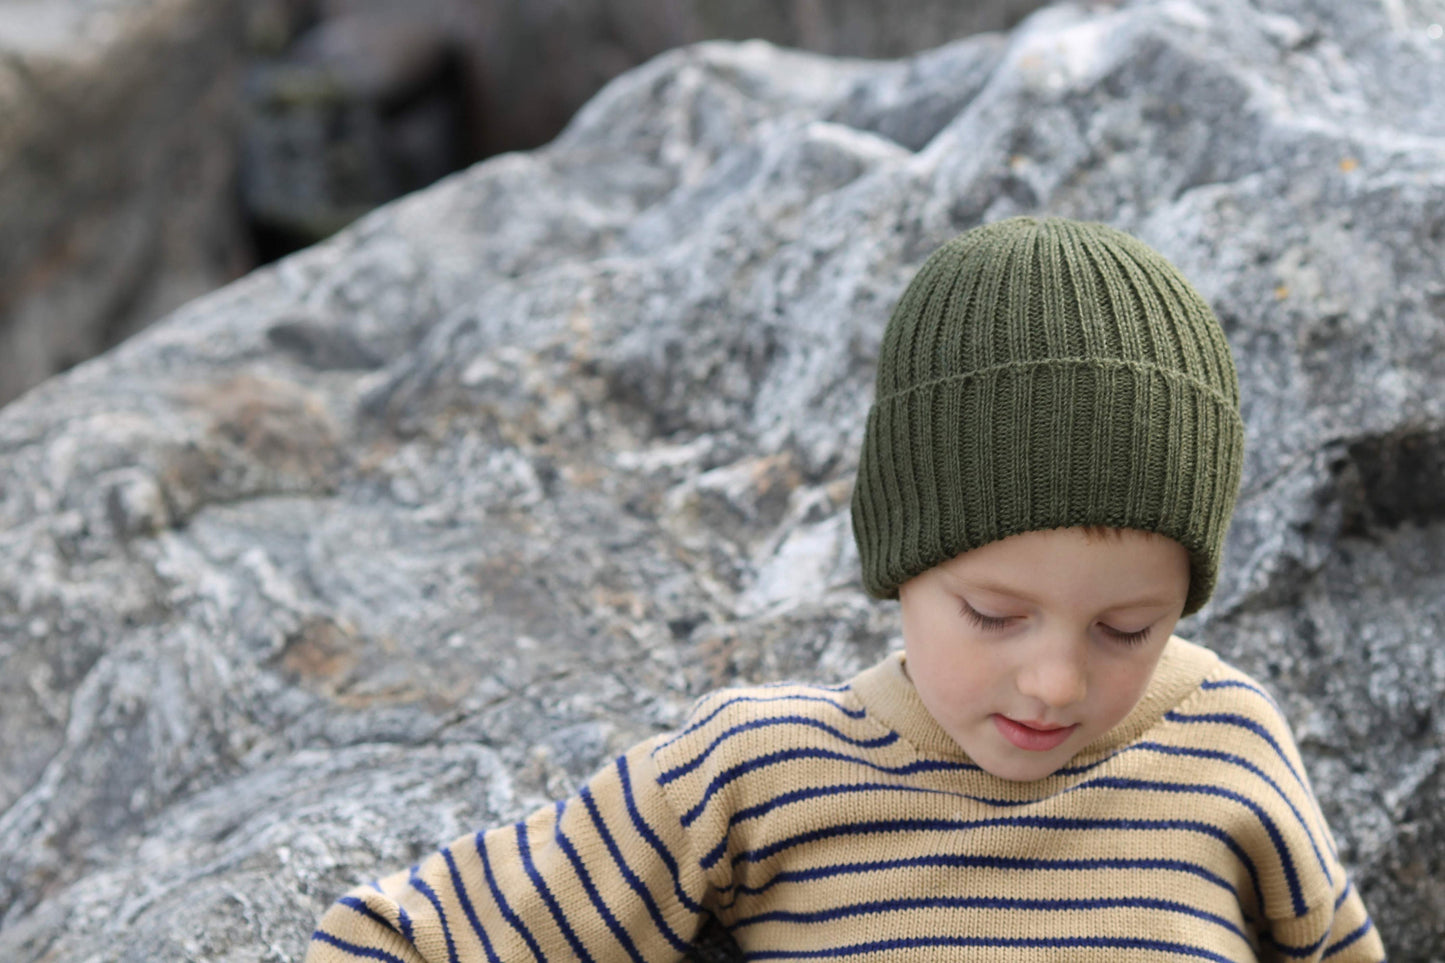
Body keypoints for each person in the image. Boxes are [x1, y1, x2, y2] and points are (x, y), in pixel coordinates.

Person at [305, 217, 1384, 962]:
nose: (1054, 680)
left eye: (1126, 627)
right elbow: (408, 936)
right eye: (993, 615)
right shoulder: (758, 770)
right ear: (899, 553)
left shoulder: (1223, 740)